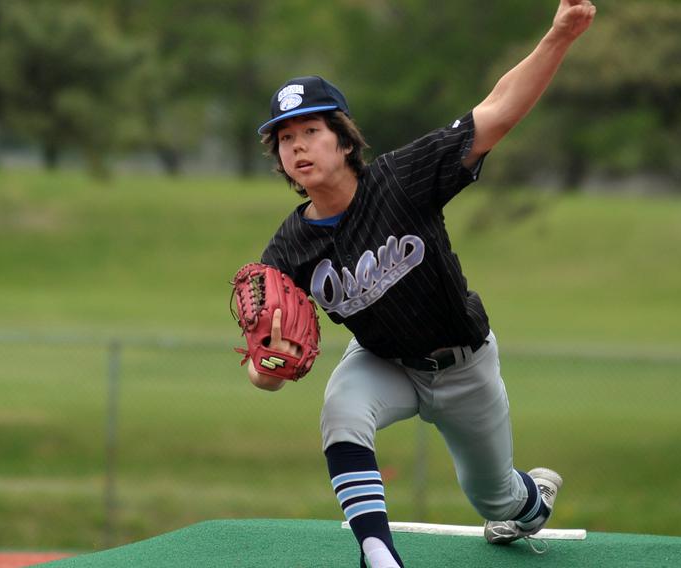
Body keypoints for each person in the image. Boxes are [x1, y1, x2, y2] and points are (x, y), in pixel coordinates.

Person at [248, 2, 595, 566]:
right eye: (285, 140)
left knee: (496, 498)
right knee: (341, 409)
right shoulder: (289, 246)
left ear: (343, 139)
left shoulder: (401, 180)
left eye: (311, 130)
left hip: (463, 365)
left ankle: (531, 496)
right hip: (383, 362)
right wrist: (266, 366)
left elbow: (498, 111)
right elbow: (264, 371)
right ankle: (378, 553)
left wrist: (558, 36)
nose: (298, 147)